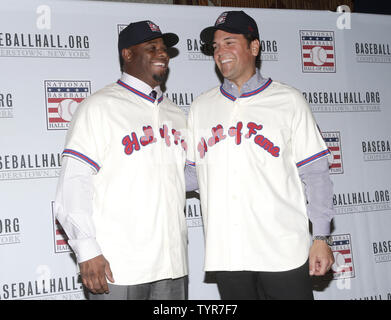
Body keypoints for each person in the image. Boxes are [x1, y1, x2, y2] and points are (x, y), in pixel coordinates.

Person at [186, 10, 335, 300]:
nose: (220, 52)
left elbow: (316, 174)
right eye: (215, 46)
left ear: (254, 47)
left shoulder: (288, 100)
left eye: (229, 42)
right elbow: (192, 175)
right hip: (229, 254)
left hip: (281, 252)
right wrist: (145, 177)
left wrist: (320, 237)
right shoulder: (201, 107)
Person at [54, 20, 188, 300]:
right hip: (119, 267)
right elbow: (74, 182)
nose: (162, 54)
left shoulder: (176, 113)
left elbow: (182, 178)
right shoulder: (99, 107)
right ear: (127, 54)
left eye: (164, 49)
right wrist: (87, 250)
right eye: (152, 48)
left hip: (172, 265)